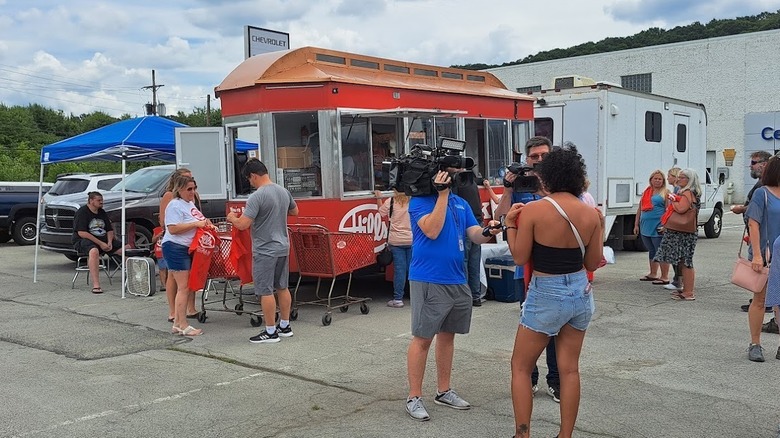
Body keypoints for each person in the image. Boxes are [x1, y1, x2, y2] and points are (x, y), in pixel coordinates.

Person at [504, 146, 603, 438]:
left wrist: (509, 224)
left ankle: (523, 433)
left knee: (520, 366)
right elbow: (592, 261)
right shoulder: (590, 214)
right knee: (569, 369)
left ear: (545, 178)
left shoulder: (534, 210)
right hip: (579, 292)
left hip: (546, 292)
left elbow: (520, 257)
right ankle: (565, 435)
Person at [404, 170, 502, 421]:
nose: (455, 177)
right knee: (423, 338)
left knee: (447, 338)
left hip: (457, 279)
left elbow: (474, 235)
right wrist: (442, 195)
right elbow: (432, 230)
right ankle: (414, 397)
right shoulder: (419, 202)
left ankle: (443, 390)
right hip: (428, 279)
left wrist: (491, 229)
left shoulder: (461, 203)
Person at [495, 136, 560, 404]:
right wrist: (509, 190)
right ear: (527, 158)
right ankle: (530, 378)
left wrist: (546, 191)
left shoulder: (561, 182)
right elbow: (499, 218)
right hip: (527, 269)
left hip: (556, 267)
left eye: (545, 156)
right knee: (530, 329)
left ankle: (555, 381)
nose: (539, 161)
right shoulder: (519, 182)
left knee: (557, 331)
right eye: (534, 157)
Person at [227, 159, 299, 344]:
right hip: (283, 246)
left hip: (265, 249)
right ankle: (285, 325)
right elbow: (295, 211)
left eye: (249, 179)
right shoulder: (283, 191)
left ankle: (270, 331)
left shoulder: (256, 197)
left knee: (265, 290)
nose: (250, 183)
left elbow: (243, 224)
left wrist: (232, 218)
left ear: (254, 176)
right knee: (282, 286)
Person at [162, 176, 212, 337]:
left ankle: (178, 322)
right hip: (175, 247)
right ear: (180, 189)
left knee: (187, 286)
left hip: (187, 248)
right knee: (183, 287)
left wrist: (207, 224)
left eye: (194, 188)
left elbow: (200, 220)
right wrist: (195, 224)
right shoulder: (174, 205)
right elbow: (173, 229)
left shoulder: (189, 204)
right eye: (189, 189)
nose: (192, 192)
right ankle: (182, 324)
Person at [744, 154, 780, 362]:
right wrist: (757, 255)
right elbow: (753, 224)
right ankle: (755, 343)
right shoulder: (762, 194)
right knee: (760, 301)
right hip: (765, 256)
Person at [732, 151, 774, 315]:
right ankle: (761, 299)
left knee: (763, 268)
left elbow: (761, 209)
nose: (751, 165)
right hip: (759, 234)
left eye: (754, 162)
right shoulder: (761, 183)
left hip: (764, 235)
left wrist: (741, 209)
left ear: (765, 164)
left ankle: (764, 302)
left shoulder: (765, 185)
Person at [158, 168, 200, 322]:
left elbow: (196, 216)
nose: (193, 189)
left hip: (188, 244)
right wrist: (195, 224)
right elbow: (169, 225)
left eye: (193, 184)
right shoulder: (172, 199)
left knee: (187, 282)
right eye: (188, 184)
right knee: (177, 280)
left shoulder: (189, 200)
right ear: (179, 183)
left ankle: (187, 311)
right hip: (175, 244)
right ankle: (176, 316)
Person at [653, 168, 701, 301]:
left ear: (689, 180)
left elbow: (681, 208)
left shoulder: (687, 193)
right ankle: (685, 290)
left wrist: (672, 200)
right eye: (678, 177)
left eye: (682, 177)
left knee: (686, 262)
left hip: (684, 233)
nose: (679, 179)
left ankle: (688, 292)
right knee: (684, 261)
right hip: (686, 232)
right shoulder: (691, 193)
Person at [72, 191, 125, 294]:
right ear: (91, 201)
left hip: (103, 239)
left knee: (125, 248)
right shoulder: (82, 212)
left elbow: (109, 230)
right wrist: (101, 243)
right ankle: (96, 285)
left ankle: (139, 272)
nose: (101, 202)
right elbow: (82, 232)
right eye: (99, 200)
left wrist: (109, 242)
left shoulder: (102, 212)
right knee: (94, 251)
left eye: (102, 200)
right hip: (84, 240)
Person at [450, 166, 485, 306]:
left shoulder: (458, 183)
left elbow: (453, 203)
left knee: (463, 261)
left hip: (465, 223)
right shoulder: (472, 181)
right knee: (474, 262)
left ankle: (465, 296)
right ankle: (476, 296)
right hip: (478, 221)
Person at [374, 189, 412, 308]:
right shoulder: (413, 201)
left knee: (399, 270)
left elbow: (381, 213)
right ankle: (416, 297)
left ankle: (398, 299)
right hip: (412, 239)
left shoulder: (391, 201)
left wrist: (379, 198)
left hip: (396, 241)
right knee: (413, 269)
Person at [634, 170, 670, 284]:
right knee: (651, 250)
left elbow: (668, 210)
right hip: (645, 225)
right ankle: (653, 273)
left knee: (661, 250)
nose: (657, 181)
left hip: (658, 225)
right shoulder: (646, 192)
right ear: (651, 180)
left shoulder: (666, 192)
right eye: (655, 178)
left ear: (663, 181)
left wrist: (665, 225)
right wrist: (636, 224)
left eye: (660, 179)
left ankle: (664, 276)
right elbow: (640, 208)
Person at [661, 167, 684, 292]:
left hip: (676, 227)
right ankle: (679, 279)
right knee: (677, 255)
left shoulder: (678, 190)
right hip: (674, 225)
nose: (667, 178)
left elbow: (675, 208)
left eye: (669, 175)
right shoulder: (678, 190)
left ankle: (678, 281)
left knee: (676, 255)